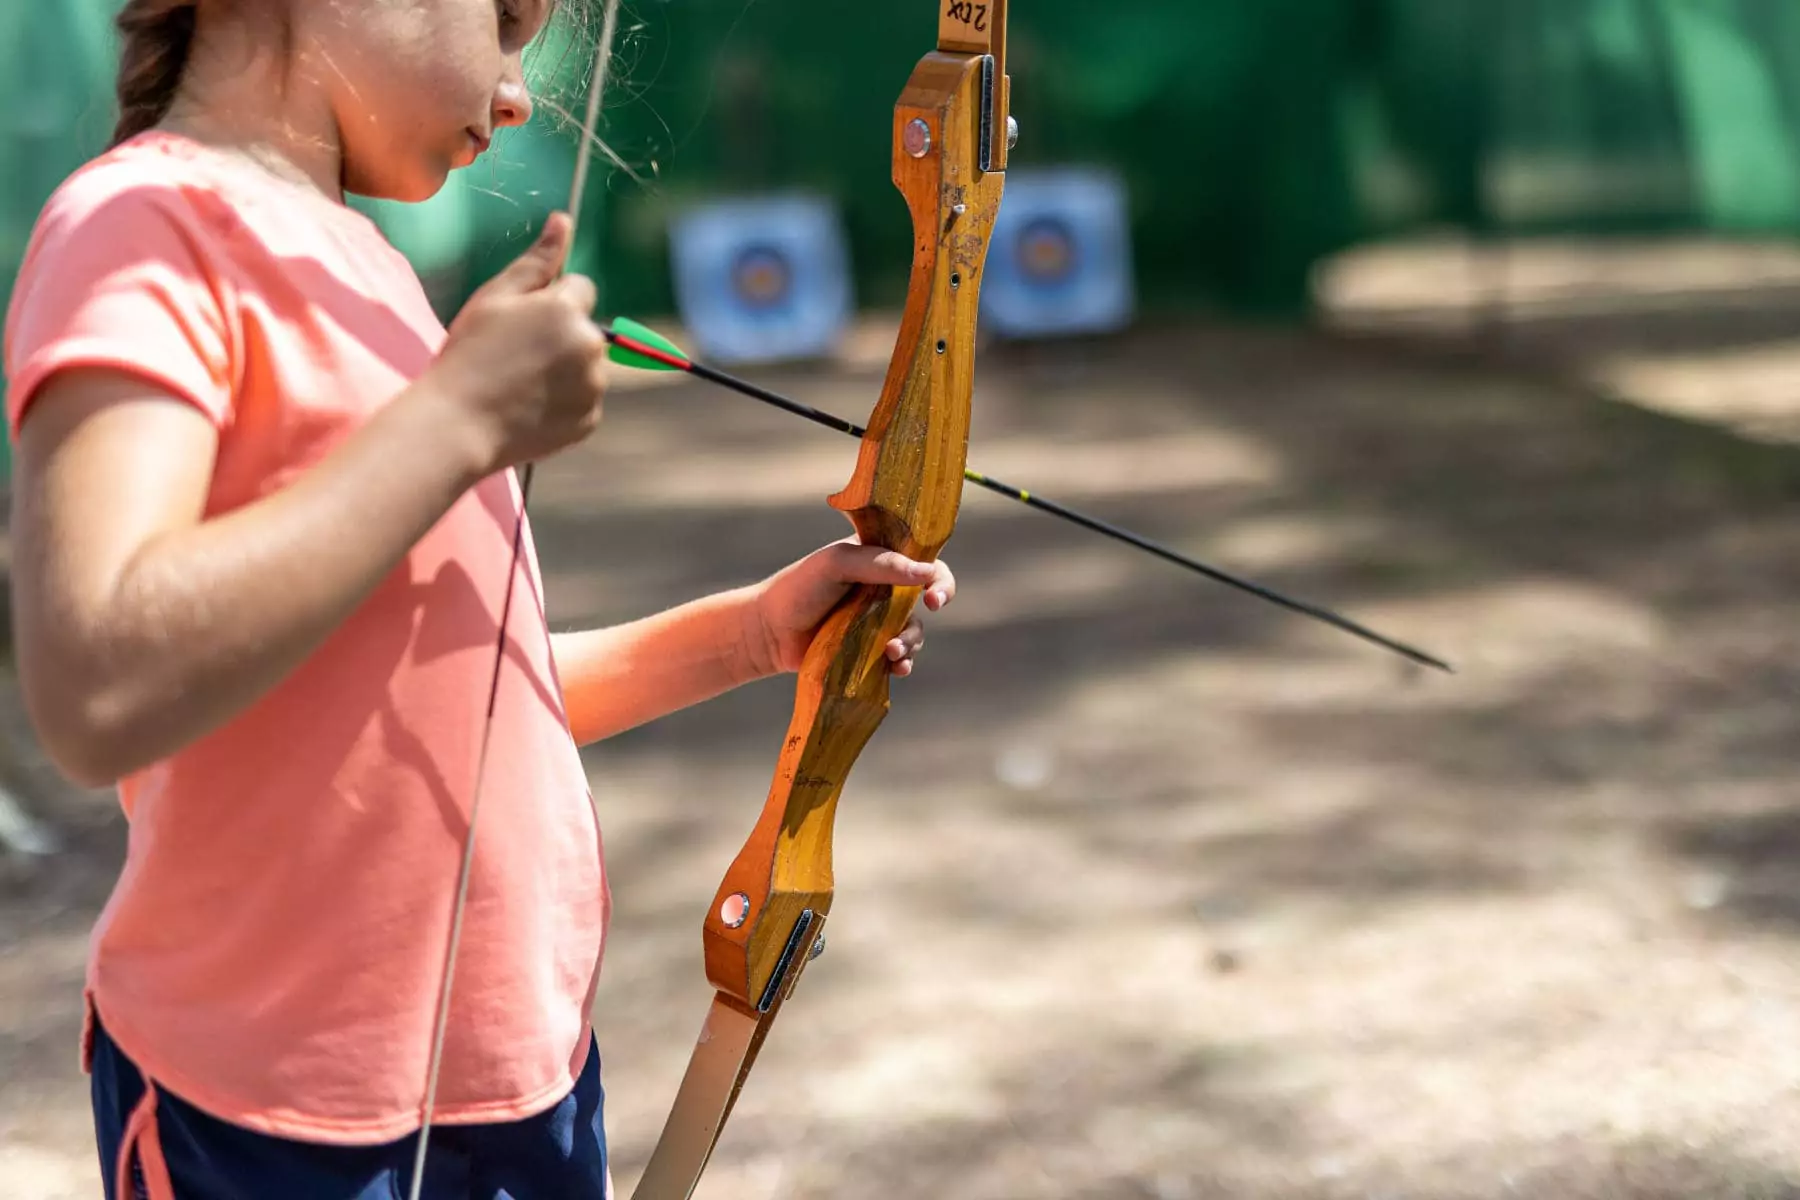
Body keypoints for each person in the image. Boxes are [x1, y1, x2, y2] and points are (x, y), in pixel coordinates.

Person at [1, 1, 956, 1197]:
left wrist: (754, 634)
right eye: (503, 22)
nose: (518, 94)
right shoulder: (142, 222)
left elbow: (461, 694)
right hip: (271, 1115)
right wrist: (453, 424)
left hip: (520, 1089)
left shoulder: (375, 269)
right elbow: (94, 684)